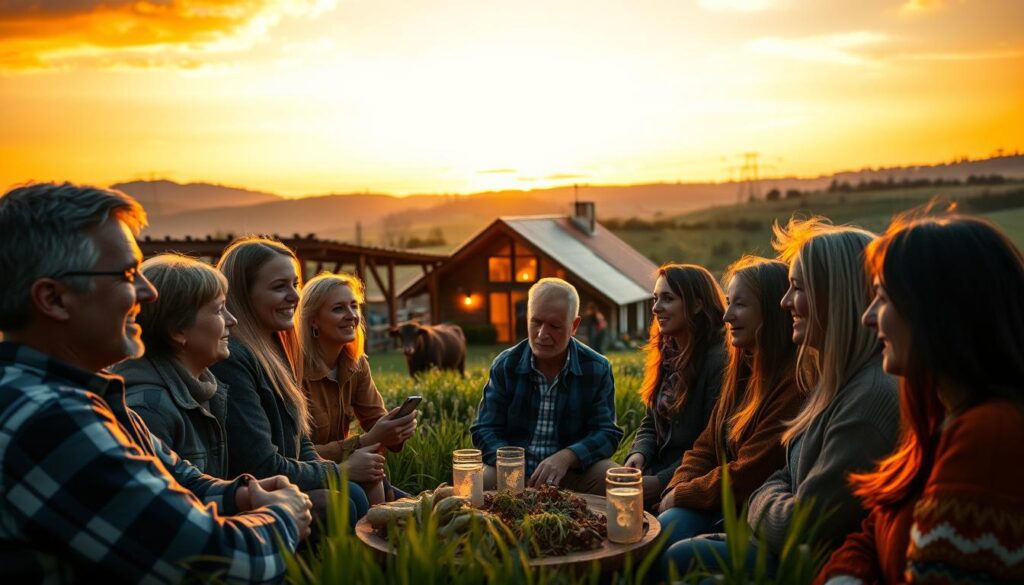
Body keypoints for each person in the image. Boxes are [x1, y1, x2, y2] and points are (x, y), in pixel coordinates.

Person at [0, 182, 311, 582]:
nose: (148, 293)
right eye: (129, 274)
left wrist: (242, 493)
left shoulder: (89, 395)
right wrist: (284, 512)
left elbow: (177, 477)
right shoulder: (47, 419)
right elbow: (216, 561)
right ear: (54, 299)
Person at [817, 215, 1024, 585]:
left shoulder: (990, 435)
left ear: (935, 310)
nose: (868, 317)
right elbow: (871, 532)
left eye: (881, 298)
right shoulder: (938, 422)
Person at [731, 219, 900, 574]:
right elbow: (788, 476)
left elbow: (802, 524)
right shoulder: (833, 381)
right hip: (780, 549)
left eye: (797, 288)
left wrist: (759, 500)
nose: (785, 302)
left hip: (812, 566)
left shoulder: (869, 400)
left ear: (837, 296)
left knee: (678, 555)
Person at [659, 257, 803, 576]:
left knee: (674, 548)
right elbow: (705, 446)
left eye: (739, 305)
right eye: (727, 303)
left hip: (751, 516)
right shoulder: (741, 369)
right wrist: (677, 488)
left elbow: (748, 473)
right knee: (662, 529)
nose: (726, 316)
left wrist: (681, 493)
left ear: (771, 310)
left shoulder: (792, 385)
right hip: (716, 503)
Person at [210, 236, 370, 525]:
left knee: (366, 495)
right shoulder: (233, 359)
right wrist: (340, 472)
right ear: (245, 295)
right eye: (279, 287)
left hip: (287, 479)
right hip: (255, 494)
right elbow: (261, 466)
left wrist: (330, 470)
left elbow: (301, 440)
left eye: (295, 284)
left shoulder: (276, 348)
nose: (295, 297)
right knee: (346, 501)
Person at [470, 278, 623, 495]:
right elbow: (484, 429)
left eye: (555, 326)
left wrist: (568, 456)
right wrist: (510, 463)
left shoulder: (597, 368)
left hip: (572, 474)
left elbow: (606, 433)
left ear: (574, 325)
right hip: (512, 472)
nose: (542, 334)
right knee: (474, 486)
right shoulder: (506, 364)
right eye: (536, 322)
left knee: (618, 481)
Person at [112, 253, 237, 478]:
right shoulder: (149, 411)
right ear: (178, 330)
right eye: (219, 310)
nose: (232, 320)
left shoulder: (203, 391)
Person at [297, 272, 417, 505]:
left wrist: (395, 429)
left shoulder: (356, 364)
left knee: (423, 507)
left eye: (354, 306)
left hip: (358, 470)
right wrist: (365, 441)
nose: (351, 315)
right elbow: (298, 455)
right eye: (338, 309)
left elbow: (375, 420)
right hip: (311, 478)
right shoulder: (295, 371)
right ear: (313, 320)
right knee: (368, 492)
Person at [623, 264, 728, 509]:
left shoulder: (717, 362)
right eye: (655, 298)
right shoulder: (667, 352)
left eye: (667, 299)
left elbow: (710, 446)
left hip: (689, 481)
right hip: (655, 469)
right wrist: (639, 454)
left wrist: (659, 482)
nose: (656, 307)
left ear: (697, 305)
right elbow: (650, 421)